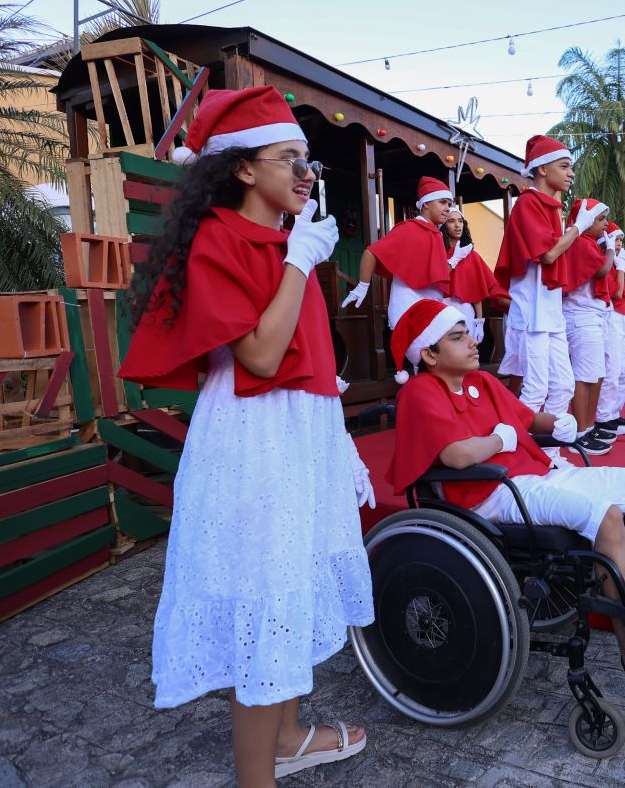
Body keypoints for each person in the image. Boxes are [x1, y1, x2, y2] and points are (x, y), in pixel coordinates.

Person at [118, 87, 374, 783]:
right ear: (241, 167)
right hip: (254, 438)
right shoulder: (221, 238)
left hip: (300, 430)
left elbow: (305, 351)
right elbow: (260, 355)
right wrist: (299, 262)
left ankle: (286, 736)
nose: (305, 173)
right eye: (288, 158)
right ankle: (255, 775)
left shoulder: (291, 239)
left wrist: (336, 433)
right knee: (267, 583)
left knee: (293, 575)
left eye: (307, 159)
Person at [383, 299, 625, 687]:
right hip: (491, 494)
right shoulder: (420, 392)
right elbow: (457, 455)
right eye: (457, 337)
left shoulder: (481, 382)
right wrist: (499, 440)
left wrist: (560, 423)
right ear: (429, 353)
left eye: (468, 334)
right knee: (606, 517)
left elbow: (528, 420)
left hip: (535, 476)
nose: (473, 342)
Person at [494, 135, 587, 414]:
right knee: (535, 389)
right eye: (564, 166)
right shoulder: (528, 203)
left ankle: (549, 442)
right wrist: (578, 228)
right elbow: (548, 254)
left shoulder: (550, 207)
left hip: (550, 311)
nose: (571, 173)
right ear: (543, 169)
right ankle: (518, 441)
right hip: (532, 311)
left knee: (564, 387)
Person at [342, 176, 454, 329]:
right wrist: (362, 286)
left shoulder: (437, 235)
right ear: (426, 203)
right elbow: (371, 252)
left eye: (449, 204)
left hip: (431, 309)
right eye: (442, 202)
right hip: (408, 308)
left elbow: (437, 276)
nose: (448, 208)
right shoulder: (409, 228)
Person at [560, 198, 615, 455]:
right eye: (601, 219)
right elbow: (602, 271)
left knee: (596, 374)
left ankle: (589, 427)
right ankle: (580, 433)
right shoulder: (581, 241)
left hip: (591, 316)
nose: (605, 225)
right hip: (581, 315)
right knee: (584, 376)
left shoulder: (588, 242)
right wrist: (611, 251)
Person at [440, 205, 509, 343]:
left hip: (466, 312)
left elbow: (477, 290)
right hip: (442, 310)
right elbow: (437, 279)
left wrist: (479, 322)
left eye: (460, 221)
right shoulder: (438, 253)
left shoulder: (471, 255)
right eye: (451, 221)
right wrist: (454, 259)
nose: (457, 225)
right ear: (444, 226)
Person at [594, 224, 625, 439]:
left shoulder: (615, 262)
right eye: (616, 239)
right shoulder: (607, 262)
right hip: (611, 316)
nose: (619, 243)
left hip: (623, 318)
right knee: (612, 371)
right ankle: (603, 416)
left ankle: (613, 413)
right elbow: (617, 294)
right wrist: (620, 268)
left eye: (621, 240)